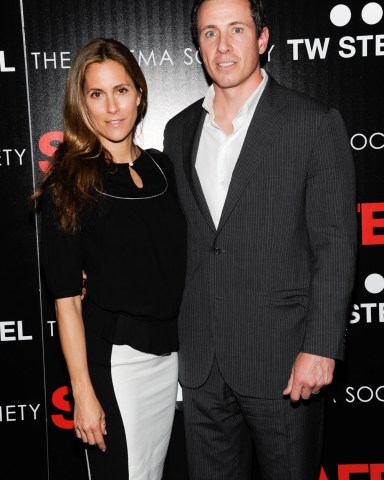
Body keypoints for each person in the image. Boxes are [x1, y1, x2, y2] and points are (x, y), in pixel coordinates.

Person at [163, 0, 357, 479]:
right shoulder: (178, 130)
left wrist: (322, 346)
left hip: (285, 359)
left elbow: (335, 242)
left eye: (236, 30)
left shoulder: (313, 123)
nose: (223, 46)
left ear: (263, 38)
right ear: (198, 45)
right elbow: (176, 239)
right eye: (209, 33)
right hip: (202, 362)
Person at [32, 38, 187, 480]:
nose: (111, 107)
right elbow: (65, 298)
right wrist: (82, 391)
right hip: (117, 364)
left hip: (174, 358)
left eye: (120, 90)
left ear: (139, 92)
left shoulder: (163, 167)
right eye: (96, 94)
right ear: (82, 103)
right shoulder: (68, 183)